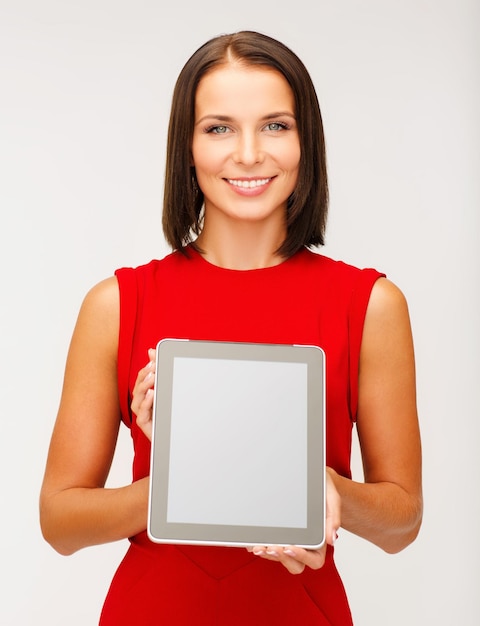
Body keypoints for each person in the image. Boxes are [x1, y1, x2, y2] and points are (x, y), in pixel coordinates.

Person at [39, 30, 423, 625]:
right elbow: (60, 522)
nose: (248, 153)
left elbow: (402, 520)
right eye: (219, 127)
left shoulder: (369, 304)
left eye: (275, 125)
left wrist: (316, 488)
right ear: (187, 147)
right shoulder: (116, 304)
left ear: (306, 142)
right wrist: (184, 481)